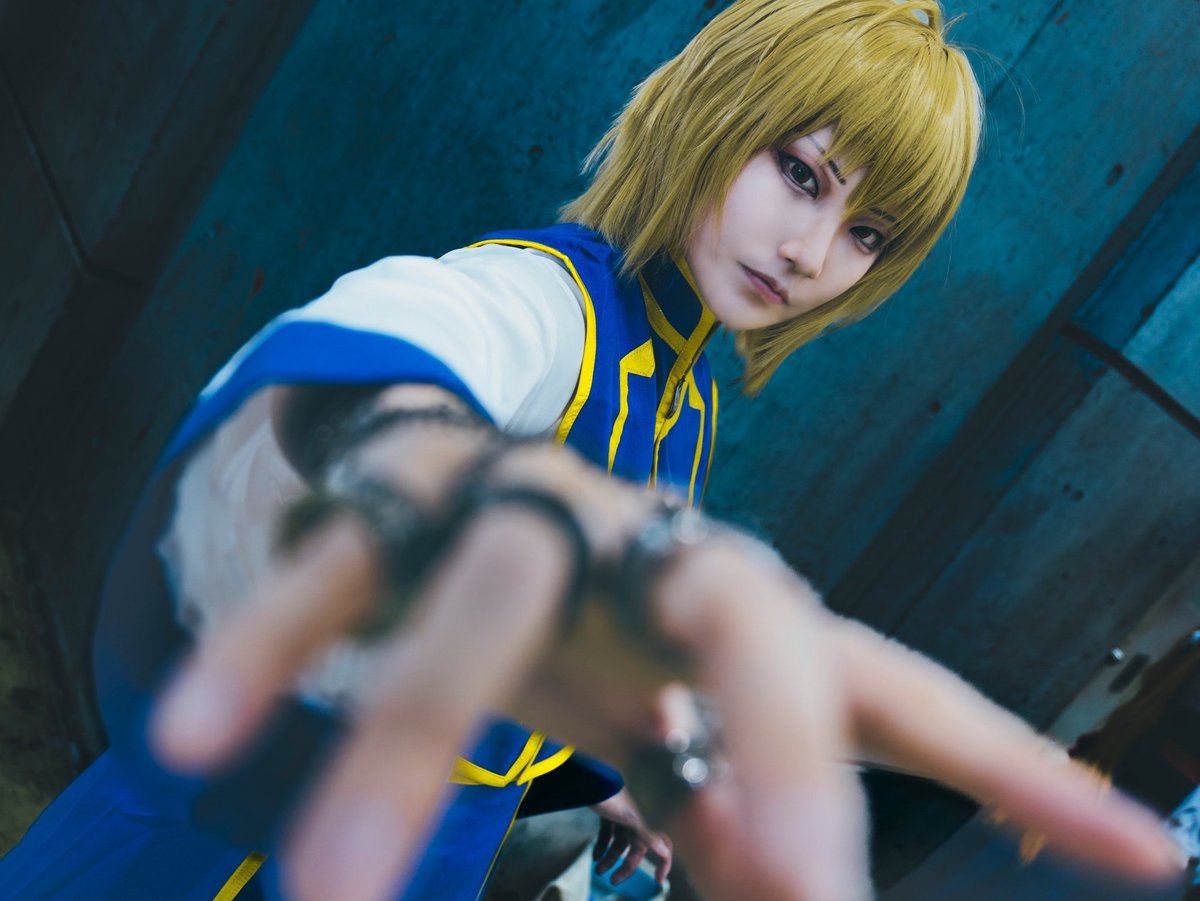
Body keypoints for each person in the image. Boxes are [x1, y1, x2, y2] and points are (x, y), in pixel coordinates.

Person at [0, 2, 1185, 900]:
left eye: (864, 230)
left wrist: (623, 773)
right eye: (800, 172)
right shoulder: (543, 310)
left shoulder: (687, 398)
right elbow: (371, 356)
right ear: (719, 108)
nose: (811, 250)